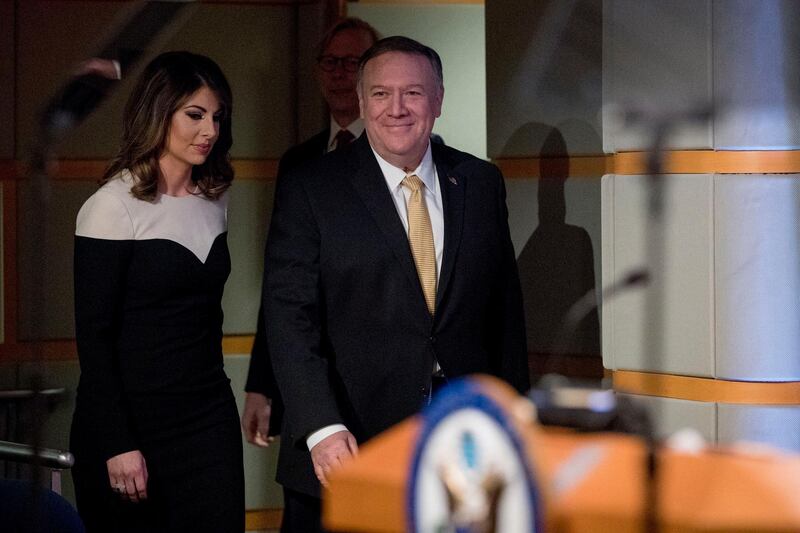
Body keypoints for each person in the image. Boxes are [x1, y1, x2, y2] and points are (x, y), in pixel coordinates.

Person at [263, 36, 529, 533]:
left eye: (414, 93)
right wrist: (321, 427)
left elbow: (504, 317)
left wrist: (514, 422)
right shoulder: (312, 187)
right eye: (381, 94)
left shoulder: (479, 181)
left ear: (439, 100)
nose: (398, 109)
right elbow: (288, 319)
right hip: (349, 444)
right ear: (362, 103)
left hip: (462, 451)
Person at [70, 51, 244, 533]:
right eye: (195, 114)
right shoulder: (111, 206)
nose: (209, 129)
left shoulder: (215, 198)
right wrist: (117, 442)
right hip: (131, 426)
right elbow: (94, 338)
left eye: (216, 116)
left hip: (208, 418)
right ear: (157, 112)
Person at [241, 17, 380, 449]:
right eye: (330, 62)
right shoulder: (299, 162)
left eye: (352, 62)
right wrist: (261, 382)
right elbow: (282, 282)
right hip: (309, 370)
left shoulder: (405, 156)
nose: (339, 73)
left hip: (378, 372)